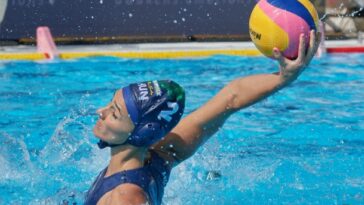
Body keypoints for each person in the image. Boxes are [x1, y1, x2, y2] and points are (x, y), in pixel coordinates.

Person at [85, 30, 321, 205]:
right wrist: (283, 78)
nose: (101, 112)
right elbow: (231, 98)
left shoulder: (125, 197)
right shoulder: (162, 154)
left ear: (140, 132)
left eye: (114, 113)